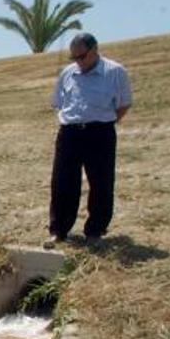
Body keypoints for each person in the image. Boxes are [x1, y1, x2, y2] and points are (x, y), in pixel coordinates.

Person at [45, 33, 133, 248]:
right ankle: (59, 230)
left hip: (99, 134)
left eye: (82, 57)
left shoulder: (115, 72)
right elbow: (59, 102)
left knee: (101, 182)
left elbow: (123, 105)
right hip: (69, 134)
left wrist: (102, 124)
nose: (78, 62)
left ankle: (95, 230)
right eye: (73, 58)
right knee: (63, 182)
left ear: (94, 50)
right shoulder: (68, 73)